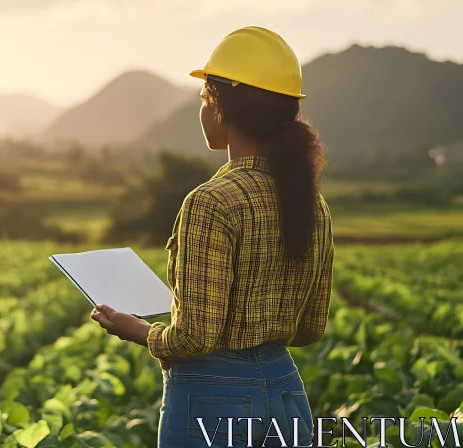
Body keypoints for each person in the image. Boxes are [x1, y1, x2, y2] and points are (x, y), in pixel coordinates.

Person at [90, 26, 333, 448]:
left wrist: (137, 330)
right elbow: (311, 328)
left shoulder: (211, 202)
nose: (202, 109)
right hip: (287, 390)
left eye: (204, 99)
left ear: (220, 109)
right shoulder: (314, 203)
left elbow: (193, 339)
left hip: (213, 402)